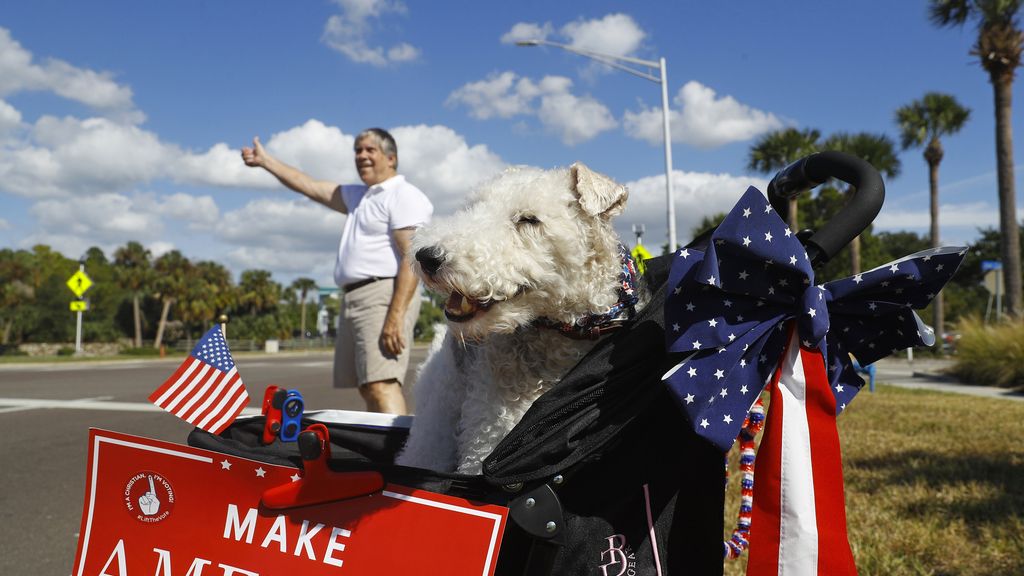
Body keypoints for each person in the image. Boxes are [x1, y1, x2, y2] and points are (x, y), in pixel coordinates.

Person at [241, 128, 432, 414]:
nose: (361, 155)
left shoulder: (403, 195)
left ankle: (399, 457)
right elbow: (308, 184)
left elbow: (411, 258)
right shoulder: (360, 196)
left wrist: (396, 316)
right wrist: (267, 162)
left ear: (391, 158)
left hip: (383, 294)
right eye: (357, 150)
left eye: (370, 150)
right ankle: (380, 451)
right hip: (354, 296)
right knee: (368, 385)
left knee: (382, 383)